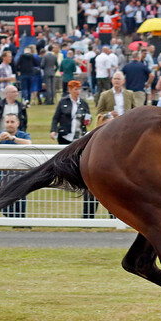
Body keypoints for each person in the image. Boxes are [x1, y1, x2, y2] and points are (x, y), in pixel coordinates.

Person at [50, 80, 95, 218]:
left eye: (79, 89)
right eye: (75, 89)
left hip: (79, 135)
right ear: (70, 90)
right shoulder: (63, 102)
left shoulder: (83, 103)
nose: (77, 92)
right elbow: (55, 118)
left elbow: (88, 117)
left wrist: (88, 120)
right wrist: (53, 130)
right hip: (66, 135)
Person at [0, 113, 32, 218]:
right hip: (2, 174)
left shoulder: (23, 135)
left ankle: (20, 222)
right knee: (1, 201)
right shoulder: (0, 134)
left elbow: (28, 143)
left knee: (19, 200)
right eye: (7, 122)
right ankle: (12, 218)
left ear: (18, 123)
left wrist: (13, 138)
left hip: (19, 173)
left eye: (12, 122)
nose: (9, 124)